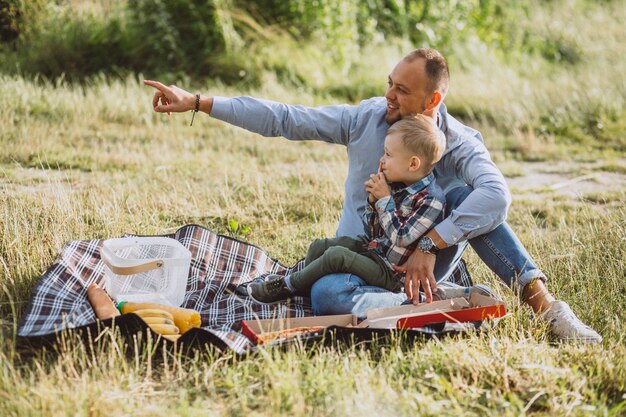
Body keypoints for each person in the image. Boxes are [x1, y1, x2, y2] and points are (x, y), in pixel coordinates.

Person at [144, 48, 602, 343]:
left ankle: (547, 310)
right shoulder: (365, 119)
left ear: (432, 101)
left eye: (402, 91)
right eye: (390, 82)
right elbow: (286, 117)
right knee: (324, 294)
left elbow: (497, 198)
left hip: (424, 256)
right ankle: (441, 302)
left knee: (469, 195)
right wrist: (201, 102)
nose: (389, 95)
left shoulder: (458, 142)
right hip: (365, 261)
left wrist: (429, 243)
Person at [248, 115, 449, 304]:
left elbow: (402, 237)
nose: (381, 160)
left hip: (391, 272)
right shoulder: (398, 184)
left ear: (413, 163)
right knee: (320, 246)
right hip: (374, 249)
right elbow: (373, 233)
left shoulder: (431, 200)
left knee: (337, 256)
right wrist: (373, 202)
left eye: (388, 154)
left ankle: (286, 287)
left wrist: (384, 200)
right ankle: (302, 284)